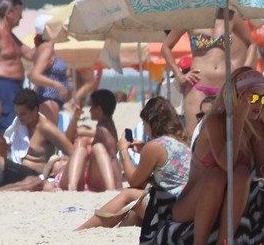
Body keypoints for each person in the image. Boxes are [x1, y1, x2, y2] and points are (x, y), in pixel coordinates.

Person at [172, 68, 264, 245]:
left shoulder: (255, 126)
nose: (258, 104)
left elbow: (263, 167)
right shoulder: (214, 122)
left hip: (232, 202)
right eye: (253, 97)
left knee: (241, 173)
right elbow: (225, 163)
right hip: (191, 204)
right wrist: (237, 119)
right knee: (217, 174)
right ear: (236, 97)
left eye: (263, 99)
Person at [76, 96, 191, 230]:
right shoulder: (182, 141)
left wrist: (123, 150)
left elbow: (133, 181)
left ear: (150, 123)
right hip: (186, 207)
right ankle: (120, 230)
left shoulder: (154, 146)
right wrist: (145, 148)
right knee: (135, 207)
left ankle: (84, 229)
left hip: (171, 211)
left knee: (129, 194)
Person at [161, 10, 257, 135]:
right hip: (198, 84)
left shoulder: (231, 16)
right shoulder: (190, 17)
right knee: (194, 135)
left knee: (230, 135)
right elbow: (165, 47)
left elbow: (252, 44)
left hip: (226, 85)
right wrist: (179, 75)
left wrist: (244, 71)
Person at [0, 89, 73, 191]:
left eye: (23, 114)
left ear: (35, 110)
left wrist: (59, 167)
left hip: (34, 175)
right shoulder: (19, 126)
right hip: (16, 170)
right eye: (17, 113)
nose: (19, 117)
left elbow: (72, 152)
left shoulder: (46, 128)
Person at [0, 0, 35, 158]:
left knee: (12, 132)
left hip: (14, 89)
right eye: (20, 12)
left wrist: (48, 42)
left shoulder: (10, 36)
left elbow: (30, 54)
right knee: (3, 134)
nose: (22, 17)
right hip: (2, 88)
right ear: (9, 13)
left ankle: (5, 172)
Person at [60, 89, 121, 191]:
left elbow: (113, 158)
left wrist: (119, 186)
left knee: (97, 147)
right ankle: (72, 188)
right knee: (81, 148)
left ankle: (111, 188)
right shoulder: (103, 129)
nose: (90, 110)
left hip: (92, 179)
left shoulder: (103, 131)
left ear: (99, 109)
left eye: (92, 106)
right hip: (74, 176)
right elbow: (67, 140)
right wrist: (75, 119)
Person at [28, 14, 69, 126]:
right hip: (48, 99)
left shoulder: (42, 48)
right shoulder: (46, 48)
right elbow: (34, 75)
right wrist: (58, 85)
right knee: (49, 139)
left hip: (47, 99)